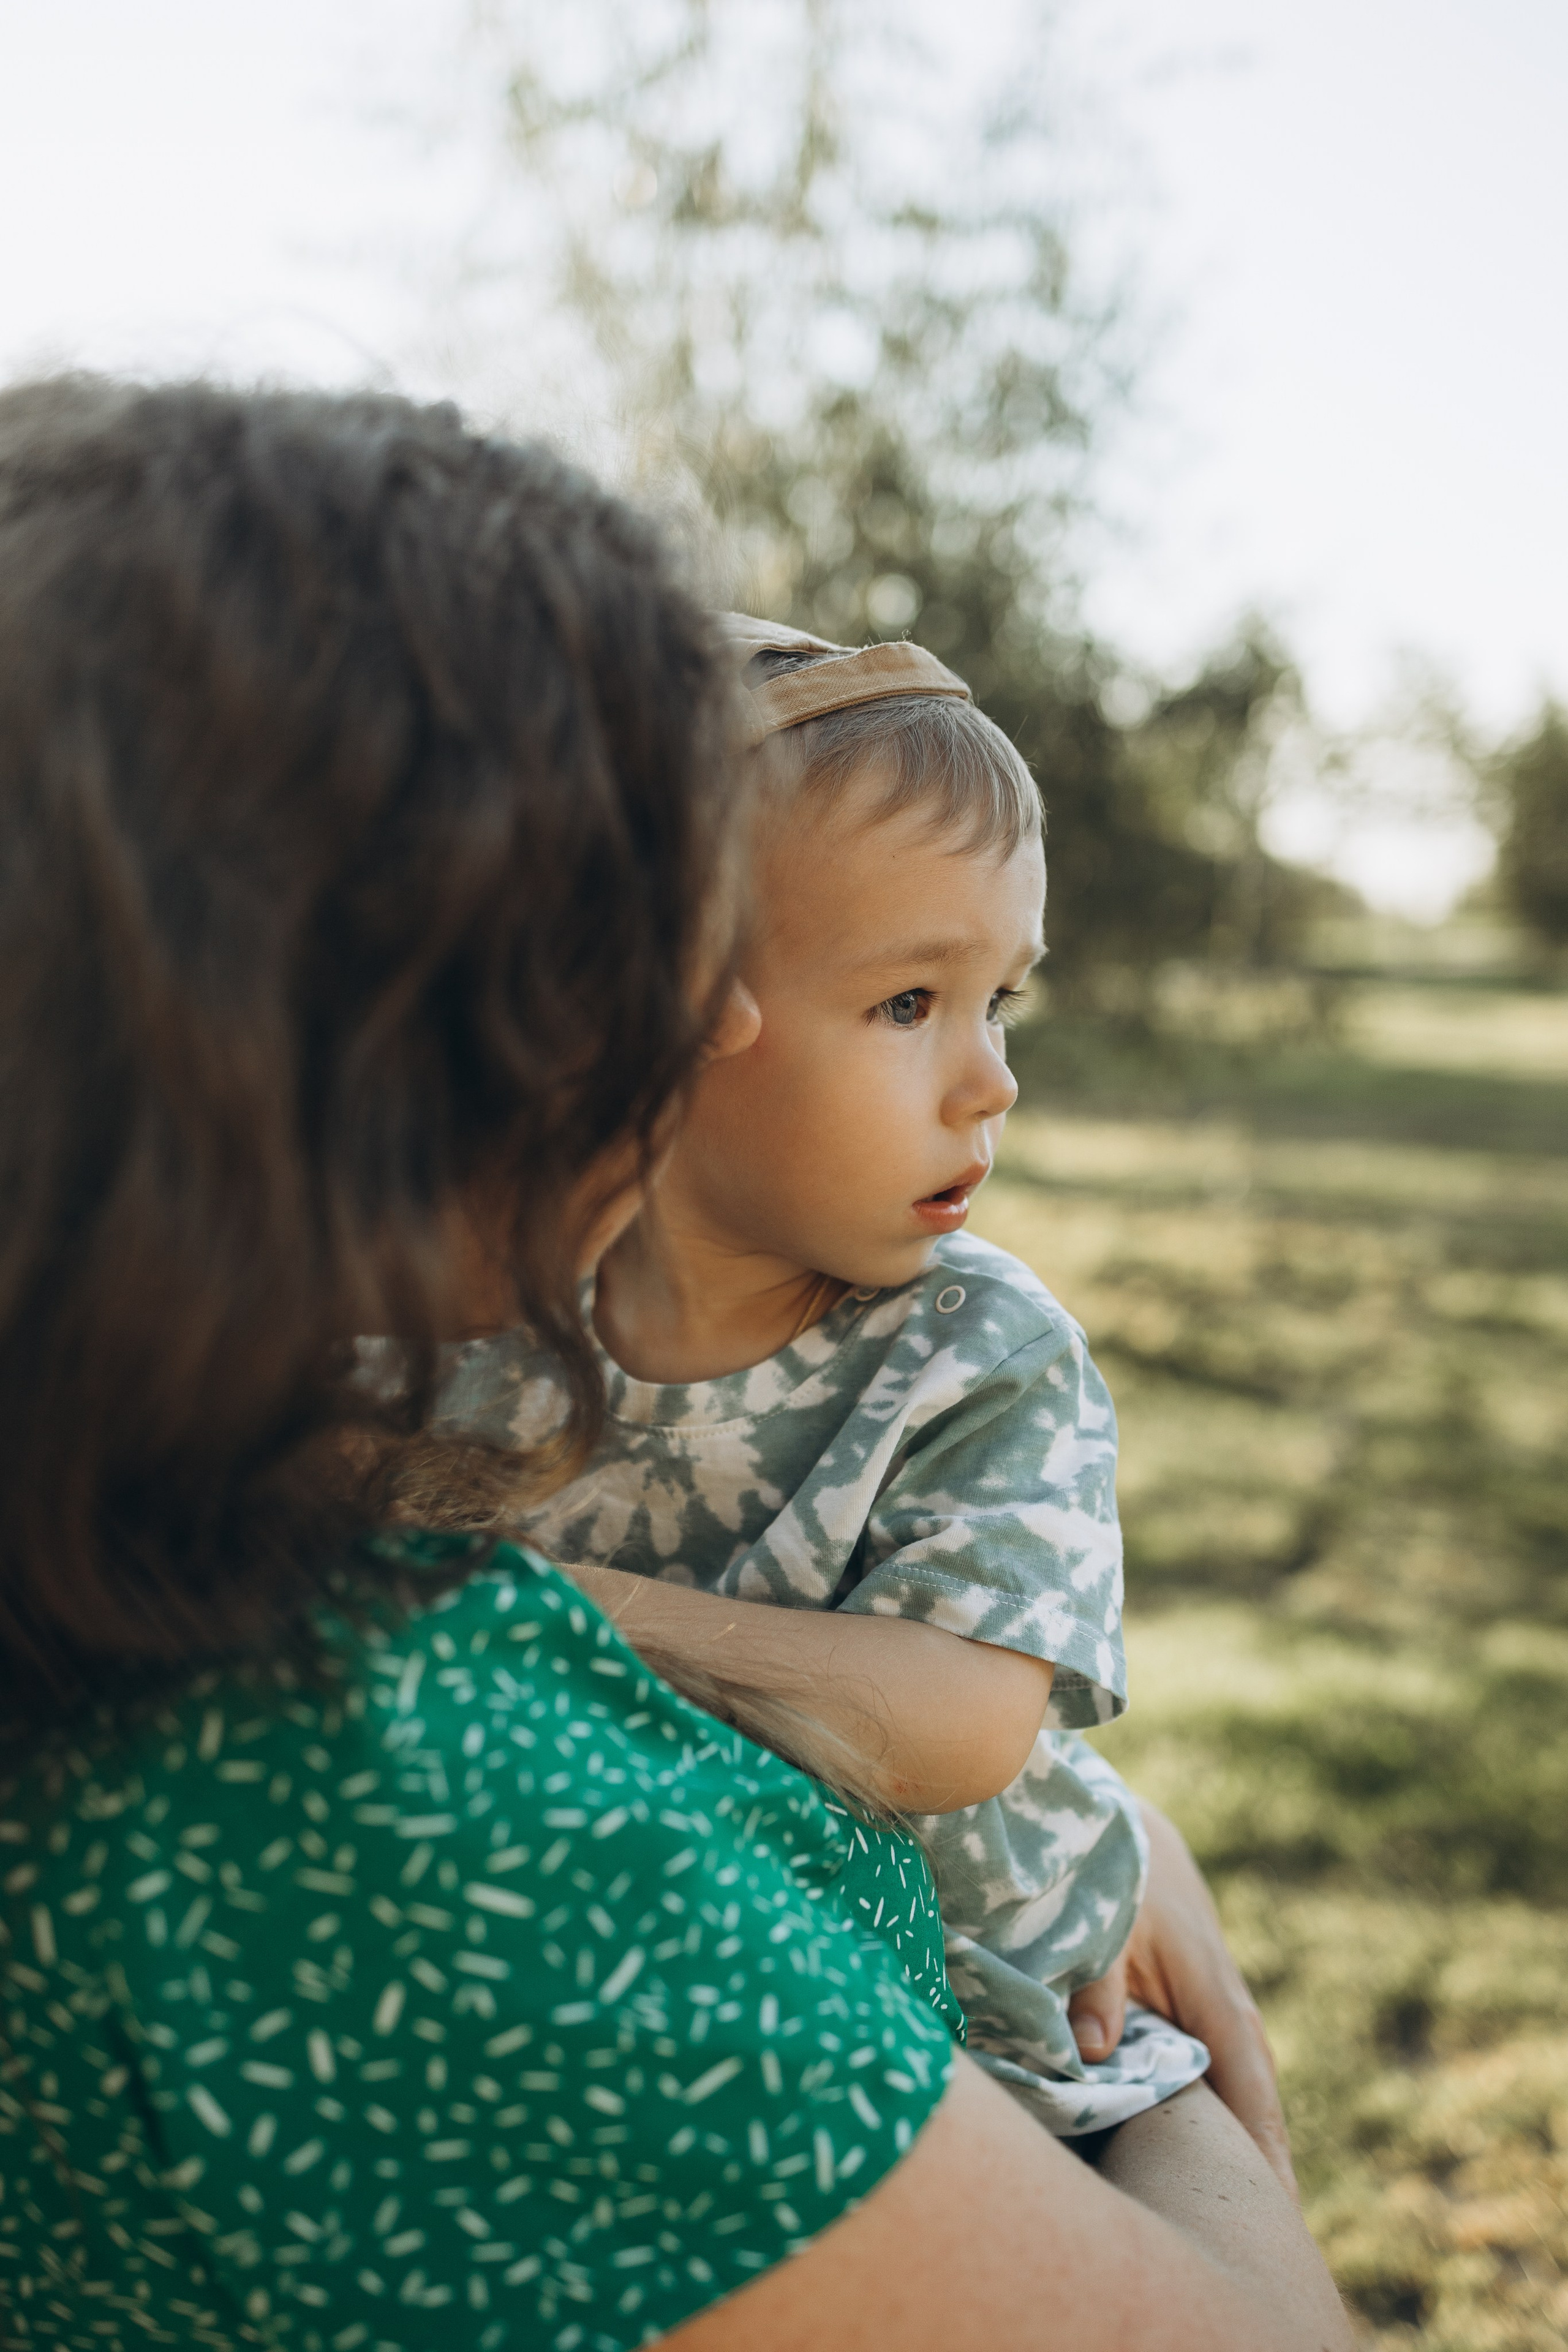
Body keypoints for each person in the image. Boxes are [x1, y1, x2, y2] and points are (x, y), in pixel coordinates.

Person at [0, 374, 1348, 2351]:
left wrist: (1099, 1837)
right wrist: (1185, 2092)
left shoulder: (152, 1522)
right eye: (610, 962)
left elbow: (967, 1736)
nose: (659, 1031)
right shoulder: (391, 1787)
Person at [437, 616, 1204, 2139]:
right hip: (660, 1996)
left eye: (1003, 1002)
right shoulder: (474, 1321)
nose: (991, 1079)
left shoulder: (974, 1353)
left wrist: (544, 1618)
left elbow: (956, 1723)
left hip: (993, 2035)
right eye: (908, 1004)